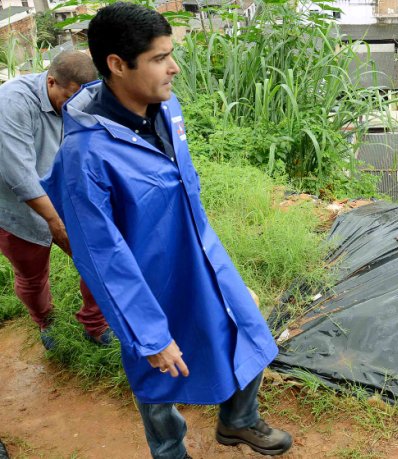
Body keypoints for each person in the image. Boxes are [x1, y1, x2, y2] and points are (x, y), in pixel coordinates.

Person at [40, 3, 293, 458]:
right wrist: (149, 334)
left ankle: (238, 420)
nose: (174, 67)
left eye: (170, 54)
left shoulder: (164, 104)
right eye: (159, 58)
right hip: (147, 285)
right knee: (158, 375)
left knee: (247, 325)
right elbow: (101, 256)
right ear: (118, 65)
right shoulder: (86, 158)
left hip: (200, 255)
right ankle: (170, 452)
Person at [0, 50, 113, 348]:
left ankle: (95, 323)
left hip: (68, 193)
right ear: (51, 82)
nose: (77, 107)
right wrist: (54, 221)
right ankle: (45, 321)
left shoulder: (83, 97)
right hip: (16, 207)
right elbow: (18, 173)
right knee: (32, 275)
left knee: (99, 255)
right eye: (69, 98)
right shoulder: (13, 102)